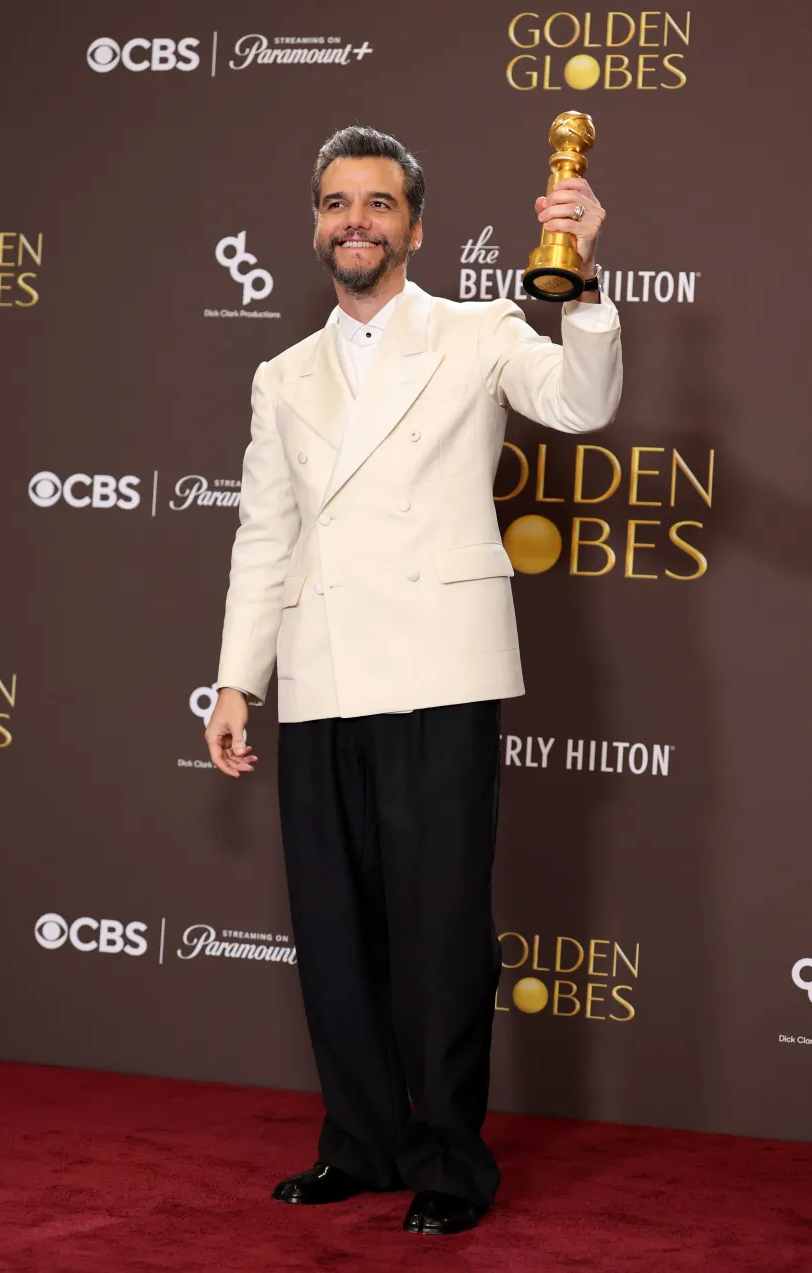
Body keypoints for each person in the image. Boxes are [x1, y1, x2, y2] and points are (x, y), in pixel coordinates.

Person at [205, 125, 621, 1236]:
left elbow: (581, 405)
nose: (356, 222)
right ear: (316, 226)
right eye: (337, 203)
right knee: (336, 928)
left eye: (378, 204)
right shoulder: (280, 373)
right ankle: (359, 1141)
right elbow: (264, 533)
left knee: (440, 931)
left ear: (415, 225)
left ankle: (447, 1158)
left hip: (438, 667)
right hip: (324, 670)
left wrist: (581, 286)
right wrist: (238, 678)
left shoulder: (480, 330)